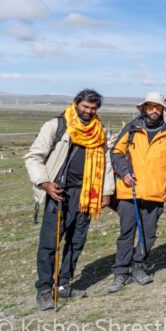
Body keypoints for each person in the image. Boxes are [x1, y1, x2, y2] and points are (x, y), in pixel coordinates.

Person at [24, 89, 113, 311]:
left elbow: (106, 162)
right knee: (49, 243)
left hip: (87, 193)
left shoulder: (99, 130)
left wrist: (106, 191)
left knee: (76, 241)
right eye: (85, 106)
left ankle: (63, 284)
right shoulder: (56, 126)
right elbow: (34, 157)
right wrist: (44, 183)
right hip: (59, 192)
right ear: (76, 103)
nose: (88, 111)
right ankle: (45, 289)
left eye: (93, 108)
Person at [107, 93, 166, 292]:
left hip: (156, 192)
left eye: (157, 107)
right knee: (126, 233)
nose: (154, 111)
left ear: (163, 110)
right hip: (129, 192)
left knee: (148, 234)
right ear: (144, 108)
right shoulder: (131, 128)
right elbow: (116, 152)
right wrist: (124, 172)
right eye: (150, 106)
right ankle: (121, 272)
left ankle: (139, 266)